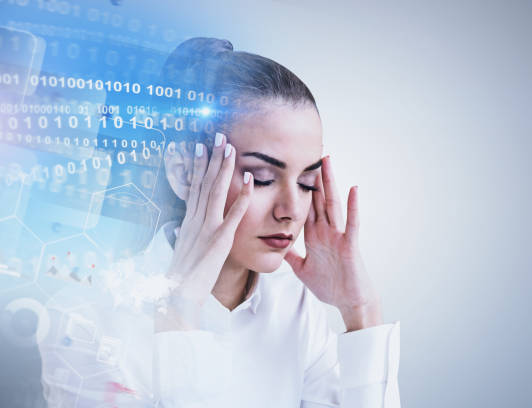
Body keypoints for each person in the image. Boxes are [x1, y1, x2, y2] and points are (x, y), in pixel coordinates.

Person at [38, 37, 401, 407]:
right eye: (261, 177)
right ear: (183, 172)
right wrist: (179, 315)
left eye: (307, 182)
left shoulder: (296, 306)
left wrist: (361, 311)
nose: (291, 209)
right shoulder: (84, 320)